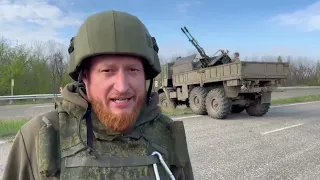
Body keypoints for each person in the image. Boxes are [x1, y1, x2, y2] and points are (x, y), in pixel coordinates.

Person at [2, 10, 194, 180]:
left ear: (146, 75)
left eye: (132, 70)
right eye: (107, 71)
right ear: (85, 77)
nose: (122, 86)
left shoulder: (168, 133)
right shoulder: (39, 135)